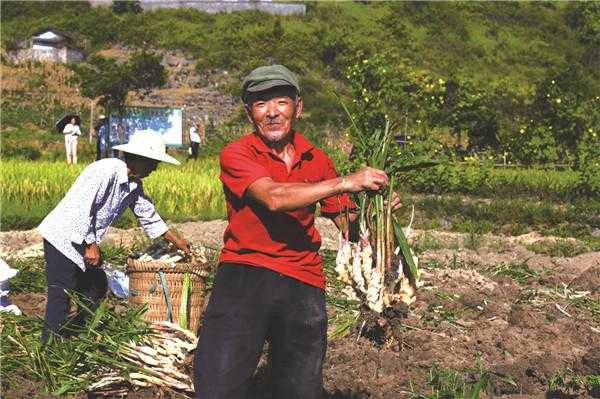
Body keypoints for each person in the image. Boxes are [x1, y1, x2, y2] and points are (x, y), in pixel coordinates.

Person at [193, 64, 400, 398]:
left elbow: (348, 227)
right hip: (246, 274)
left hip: (303, 282)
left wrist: (378, 214)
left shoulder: (318, 161)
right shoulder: (238, 153)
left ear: (298, 107)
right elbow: (274, 197)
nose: (272, 112)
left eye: (281, 102)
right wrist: (347, 181)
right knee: (219, 384)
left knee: (299, 389)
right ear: (250, 113)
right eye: (261, 104)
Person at [37, 130, 191, 343]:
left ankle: (80, 335)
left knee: (96, 287)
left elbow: (147, 214)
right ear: (138, 159)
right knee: (60, 294)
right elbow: (81, 207)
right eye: (152, 162)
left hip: (80, 240)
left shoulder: (133, 184)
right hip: (62, 237)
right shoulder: (106, 170)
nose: (155, 168)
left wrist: (176, 241)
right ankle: (49, 348)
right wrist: (90, 244)